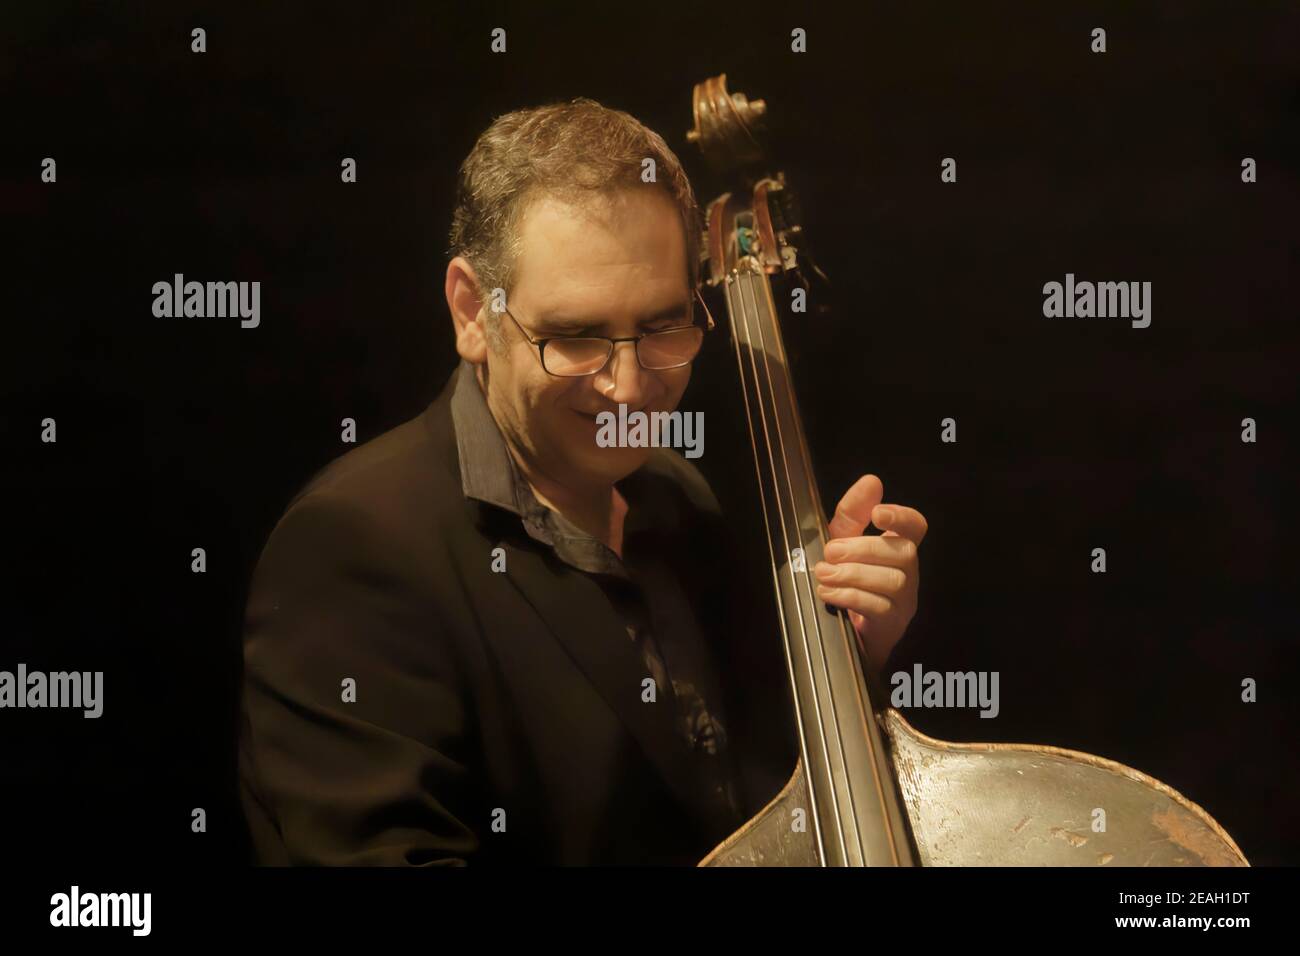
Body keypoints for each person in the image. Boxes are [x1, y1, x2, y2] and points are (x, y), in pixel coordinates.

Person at [237, 97, 928, 865]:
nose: (629, 390)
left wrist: (844, 659)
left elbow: (740, 808)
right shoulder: (354, 549)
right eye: (574, 337)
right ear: (473, 312)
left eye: (665, 325)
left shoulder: (678, 499)